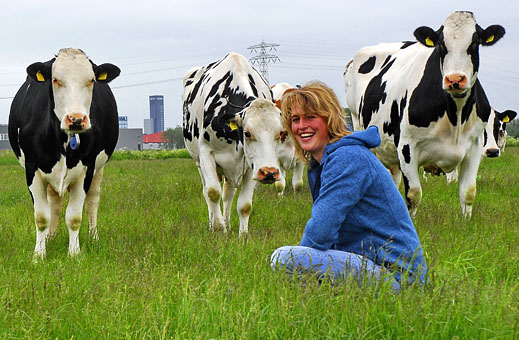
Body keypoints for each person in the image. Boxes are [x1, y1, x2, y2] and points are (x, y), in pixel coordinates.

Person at [270, 81, 427, 291]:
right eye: (295, 120)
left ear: (330, 119)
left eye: (310, 117)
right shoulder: (322, 162)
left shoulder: (347, 157)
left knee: (284, 258)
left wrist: (302, 266)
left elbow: (320, 232)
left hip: (399, 279)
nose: (301, 126)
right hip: (373, 266)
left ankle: (307, 308)